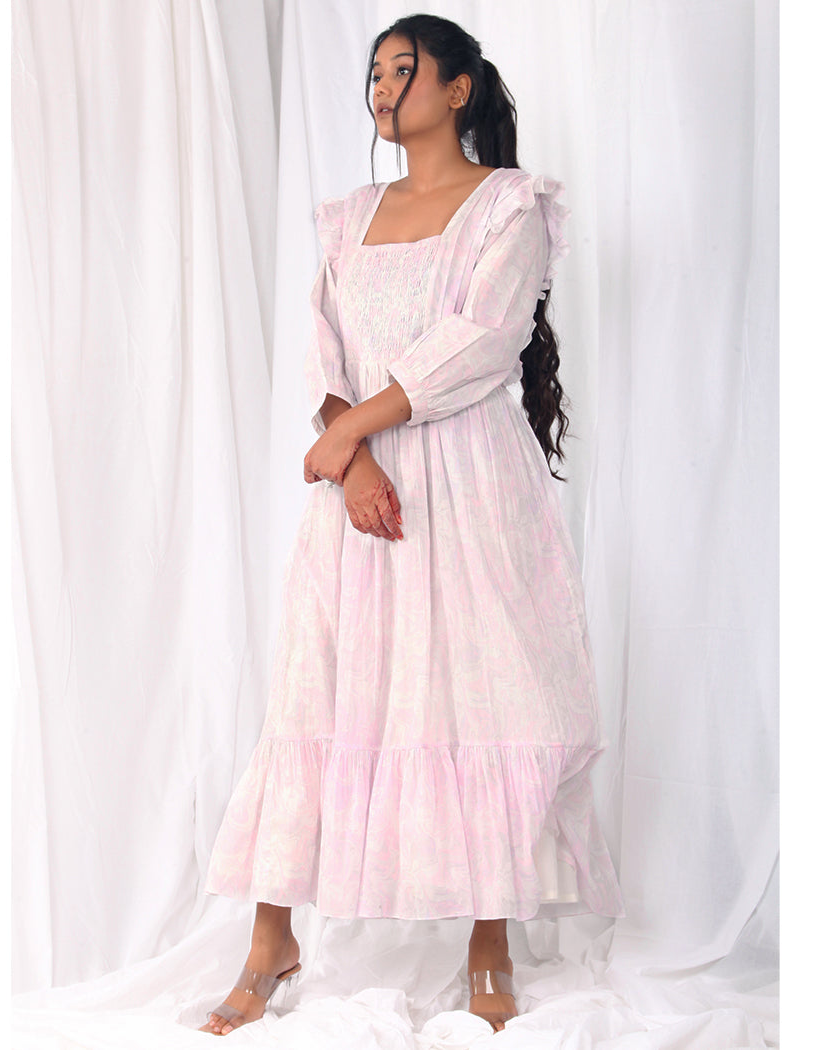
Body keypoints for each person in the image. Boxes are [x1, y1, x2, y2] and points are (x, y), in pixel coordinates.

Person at [199, 12, 625, 1037]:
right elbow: (323, 356)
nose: (383, 88)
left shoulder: (508, 206)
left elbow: (482, 341)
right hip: (364, 494)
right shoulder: (345, 218)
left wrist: (355, 434)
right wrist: (352, 461)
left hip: (471, 485)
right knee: (318, 691)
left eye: (405, 69)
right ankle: (270, 940)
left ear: (457, 88)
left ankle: (489, 939)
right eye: (374, 73)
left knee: (483, 692)